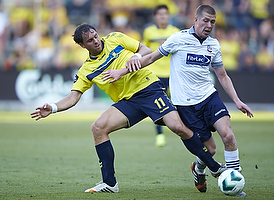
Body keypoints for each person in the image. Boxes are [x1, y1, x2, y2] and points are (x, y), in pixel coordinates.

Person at [30, 23, 226, 193]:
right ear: (82, 46)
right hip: (128, 102)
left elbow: (145, 51)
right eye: (90, 41)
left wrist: (133, 60)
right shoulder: (86, 70)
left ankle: (214, 167)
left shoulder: (115, 38)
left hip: (148, 88)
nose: (96, 41)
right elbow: (73, 97)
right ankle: (109, 183)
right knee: (98, 127)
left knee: (177, 127)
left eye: (96, 36)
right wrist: (54, 107)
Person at [105, 5, 253, 197]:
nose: (209, 25)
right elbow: (150, 58)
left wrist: (237, 100)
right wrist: (122, 71)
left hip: (209, 96)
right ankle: (199, 169)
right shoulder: (178, 38)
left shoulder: (214, 45)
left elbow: (222, 76)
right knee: (211, 149)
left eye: (213, 22)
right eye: (206, 20)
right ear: (196, 20)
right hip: (186, 104)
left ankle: (234, 181)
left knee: (228, 136)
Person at [142, 5, 180, 147]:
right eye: (160, 14)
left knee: (176, 102)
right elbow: (144, 50)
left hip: (172, 73)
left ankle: (178, 127)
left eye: (165, 14)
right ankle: (160, 135)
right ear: (156, 16)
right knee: (158, 104)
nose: (163, 16)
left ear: (168, 16)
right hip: (155, 73)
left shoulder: (175, 32)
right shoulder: (149, 32)